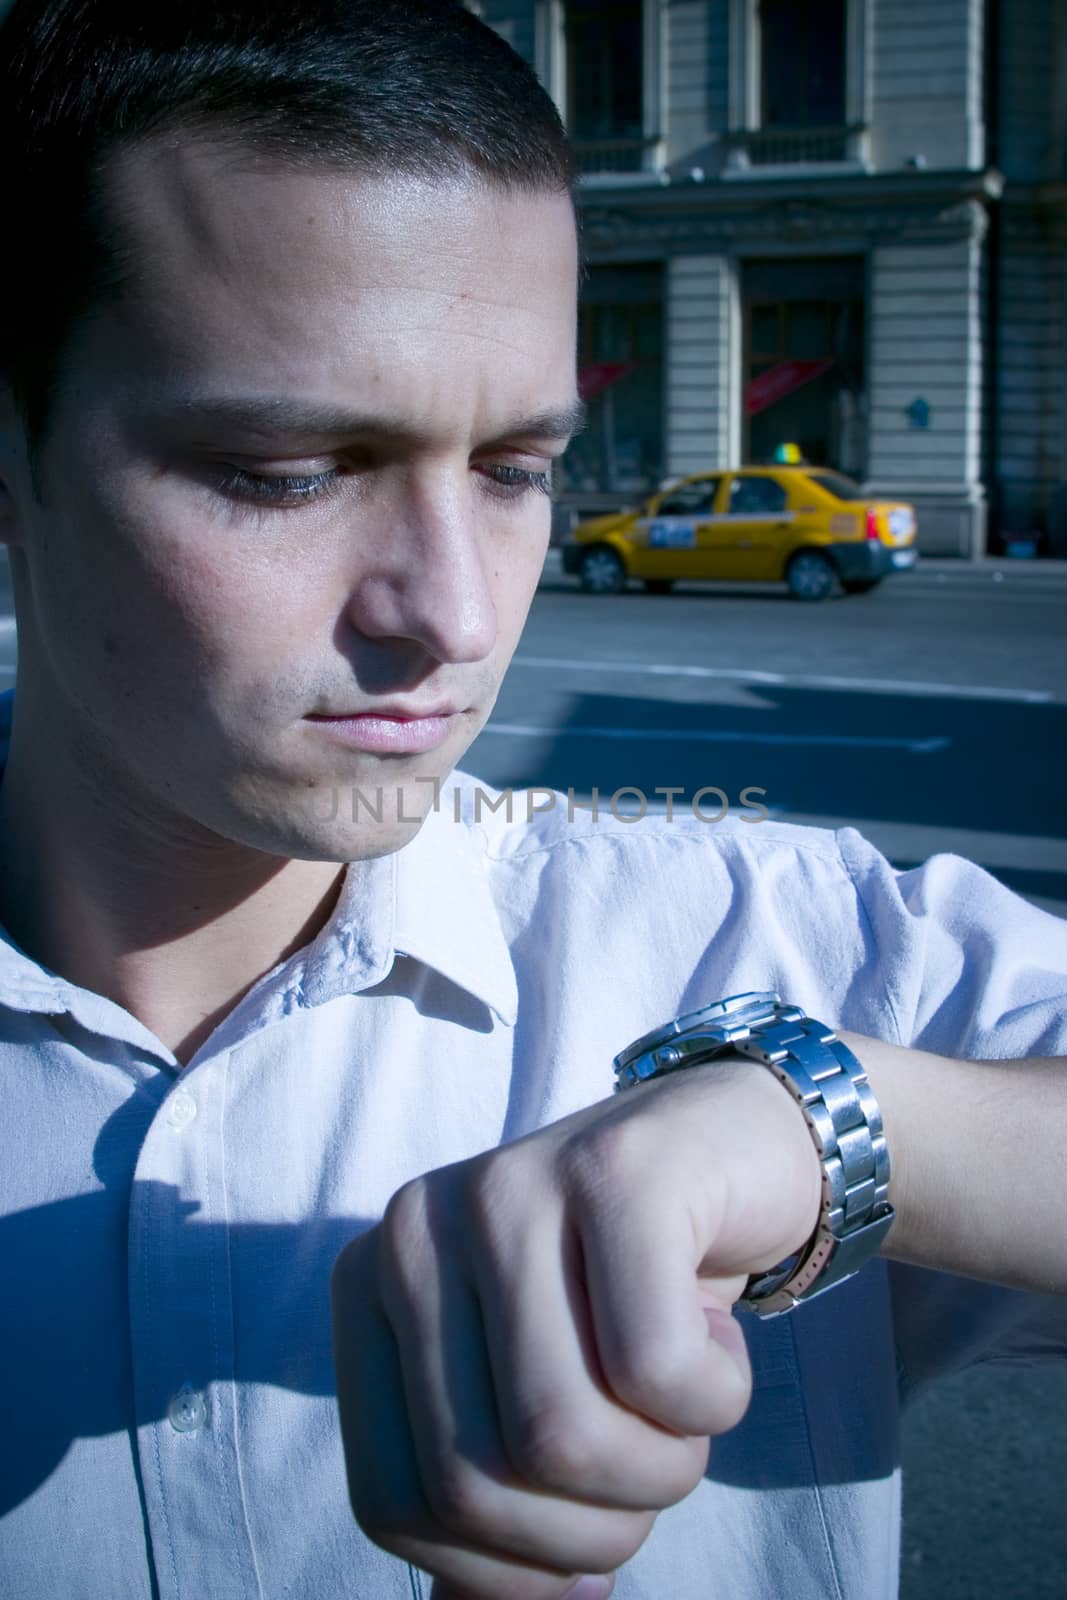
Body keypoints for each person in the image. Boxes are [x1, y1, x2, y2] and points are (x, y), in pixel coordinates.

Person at [0, 4, 1064, 1599]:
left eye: (513, 469)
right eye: (290, 472)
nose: (459, 615)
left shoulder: (759, 941)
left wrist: (837, 1124)